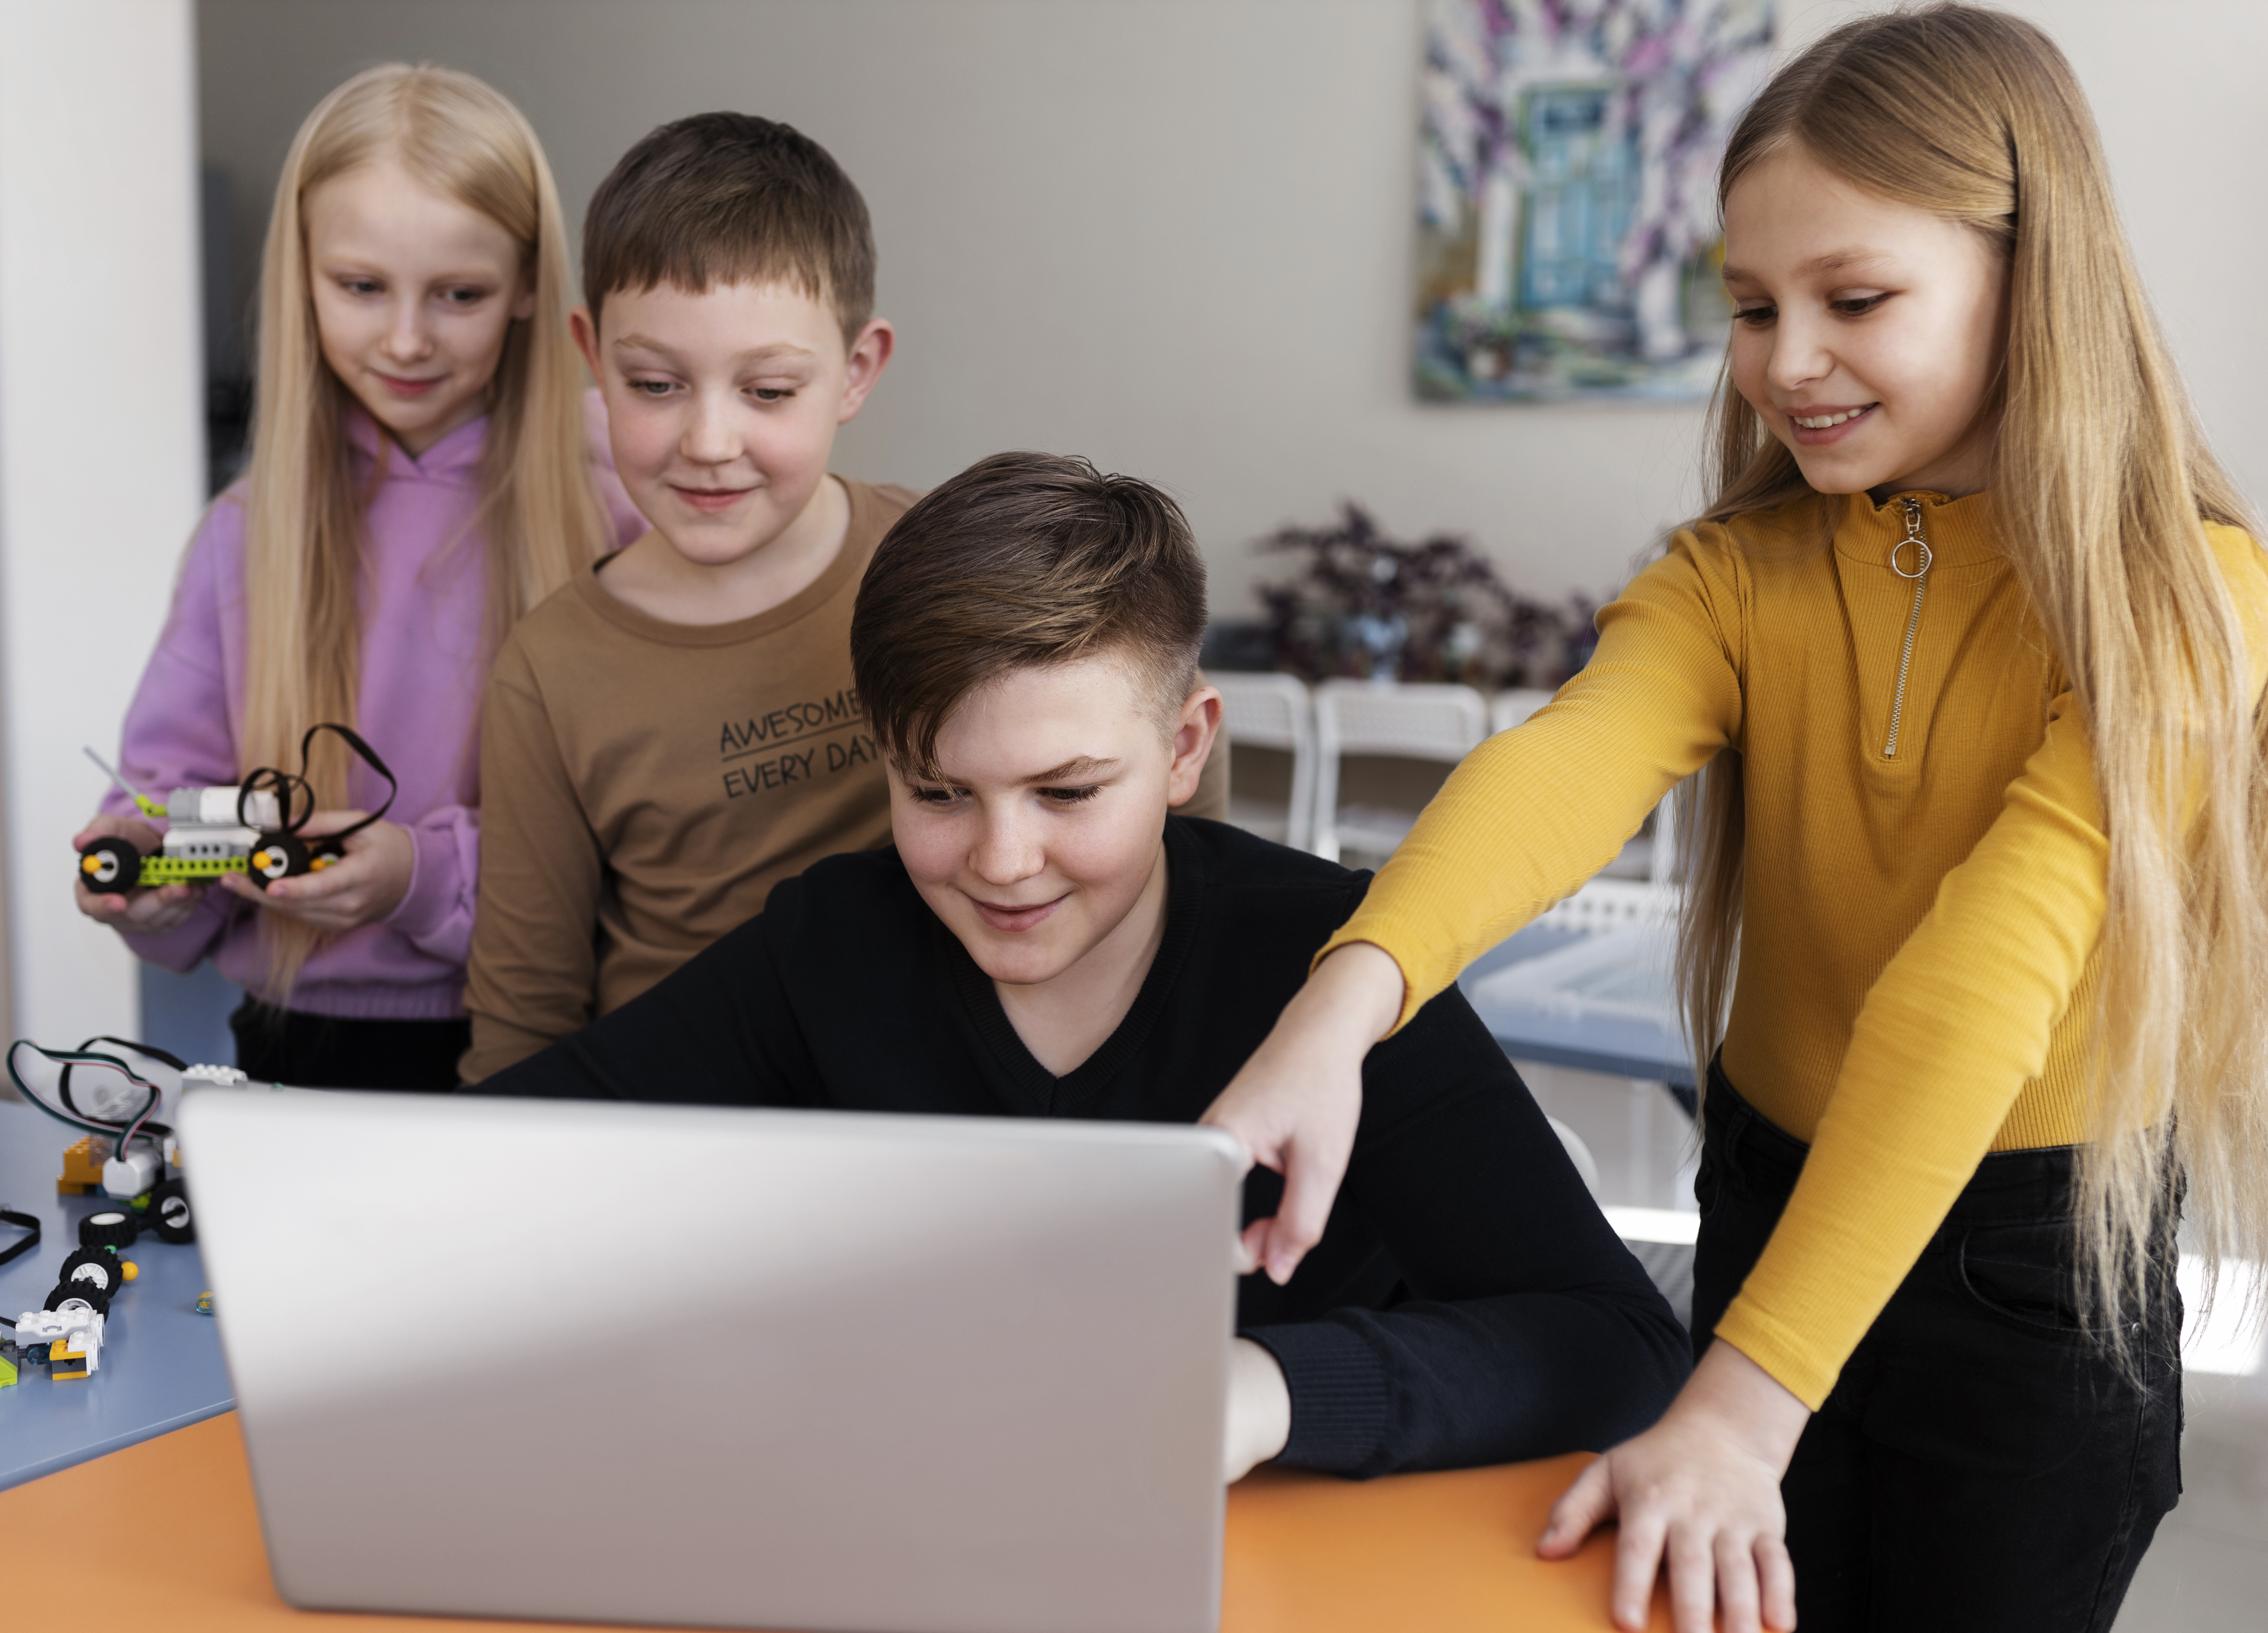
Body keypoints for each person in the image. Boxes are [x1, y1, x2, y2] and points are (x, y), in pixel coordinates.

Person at [1207, 8, 2268, 1631]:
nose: (1784, 359)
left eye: (1855, 299)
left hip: (2032, 1263)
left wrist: (1744, 1398)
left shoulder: (2185, 600)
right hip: (1769, 1181)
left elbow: (1986, 974)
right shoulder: (1736, 573)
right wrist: (1339, 1008)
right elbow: (1561, 767)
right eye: (1754, 306)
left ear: (2029, 274)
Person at [476, 451, 1687, 1477]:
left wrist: (1255, 1390)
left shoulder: (1329, 960)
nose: (1001, 860)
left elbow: (1614, 1339)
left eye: (1066, 791)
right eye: (936, 791)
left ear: (1182, 747)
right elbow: (497, 1163)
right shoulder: (829, 943)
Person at [460, 115, 1226, 1083]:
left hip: (952, 1105)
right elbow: (524, 1017)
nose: (707, 439)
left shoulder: (950, 566)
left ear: (857, 371)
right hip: (684, 1128)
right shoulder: (550, 670)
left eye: (769, 391)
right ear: (592, 357)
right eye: (654, 384)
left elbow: (1162, 745)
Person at [73, 65, 644, 1089]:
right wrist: (152, 876)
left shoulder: (618, 503)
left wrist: (420, 880)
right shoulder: (243, 536)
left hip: (551, 1031)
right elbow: (171, 801)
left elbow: (645, 822)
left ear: (527, 286)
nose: (409, 339)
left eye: (459, 295)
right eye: (362, 287)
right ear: (302, 275)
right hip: (301, 1049)